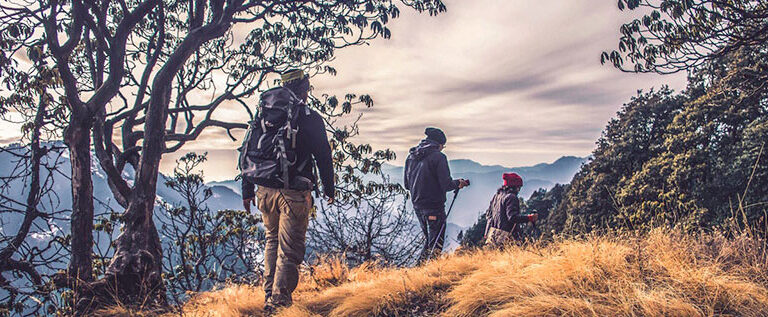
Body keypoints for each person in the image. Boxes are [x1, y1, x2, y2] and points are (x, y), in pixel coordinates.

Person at [240, 69, 335, 310]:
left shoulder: (264, 115)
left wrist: (247, 189)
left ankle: (269, 296)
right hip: (293, 192)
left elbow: (248, 149)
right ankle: (279, 303)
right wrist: (329, 188)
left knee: (272, 240)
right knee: (290, 249)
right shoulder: (308, 117)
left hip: (263, 188)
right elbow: (323, 155)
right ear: (303, 89)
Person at [404, 127, 469, 263]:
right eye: (442, 146)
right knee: (436, 244)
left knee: (429, 241)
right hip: (434, 207)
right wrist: (458, 183)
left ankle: (419, 272)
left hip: (417, 206)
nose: (442, 149)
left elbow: (406, 184)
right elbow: (445, 184)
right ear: (439, 144)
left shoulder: (411, 157)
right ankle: (430, 275)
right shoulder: (439, 157)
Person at [484, 172, 537, 247]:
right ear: (515, 187)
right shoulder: (511, 197)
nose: (519, 190)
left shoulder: (496, 196)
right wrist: (530, 218)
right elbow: (512, 218)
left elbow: (489, 214)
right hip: (506, 238)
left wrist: (487, 232)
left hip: (492, 235)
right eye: (519, 187)